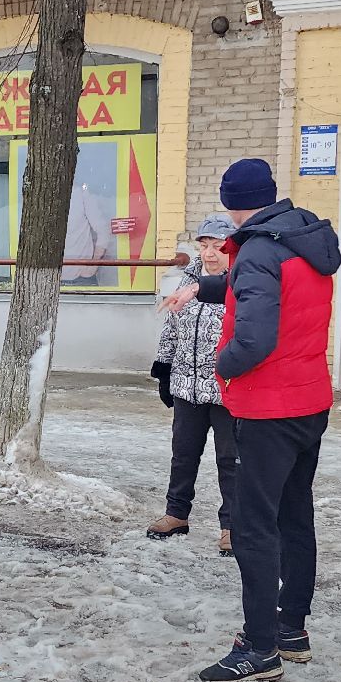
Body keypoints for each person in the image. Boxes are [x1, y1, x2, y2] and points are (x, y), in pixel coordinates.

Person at [163, 158, 340, 682]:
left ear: (231, 202)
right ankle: (292, 630)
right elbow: (267, 296)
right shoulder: (302, 236)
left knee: (252, 525)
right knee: (294, 515)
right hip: (310, 400)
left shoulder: (259, 248)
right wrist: (202, 289)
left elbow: (256, 337)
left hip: (269, 408)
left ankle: (259, 648)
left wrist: (221, 365)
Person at [147, 215, 239, 556]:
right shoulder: (186, 280)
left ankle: (231, 527)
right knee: (183, 455)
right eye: (204, 245)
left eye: (218, 246)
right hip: (187, 386)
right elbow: (171, 328)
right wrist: (164, 368)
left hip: (226, 389)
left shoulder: (242, 285)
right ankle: (176, 514)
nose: (210, 253)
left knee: (231, 460)